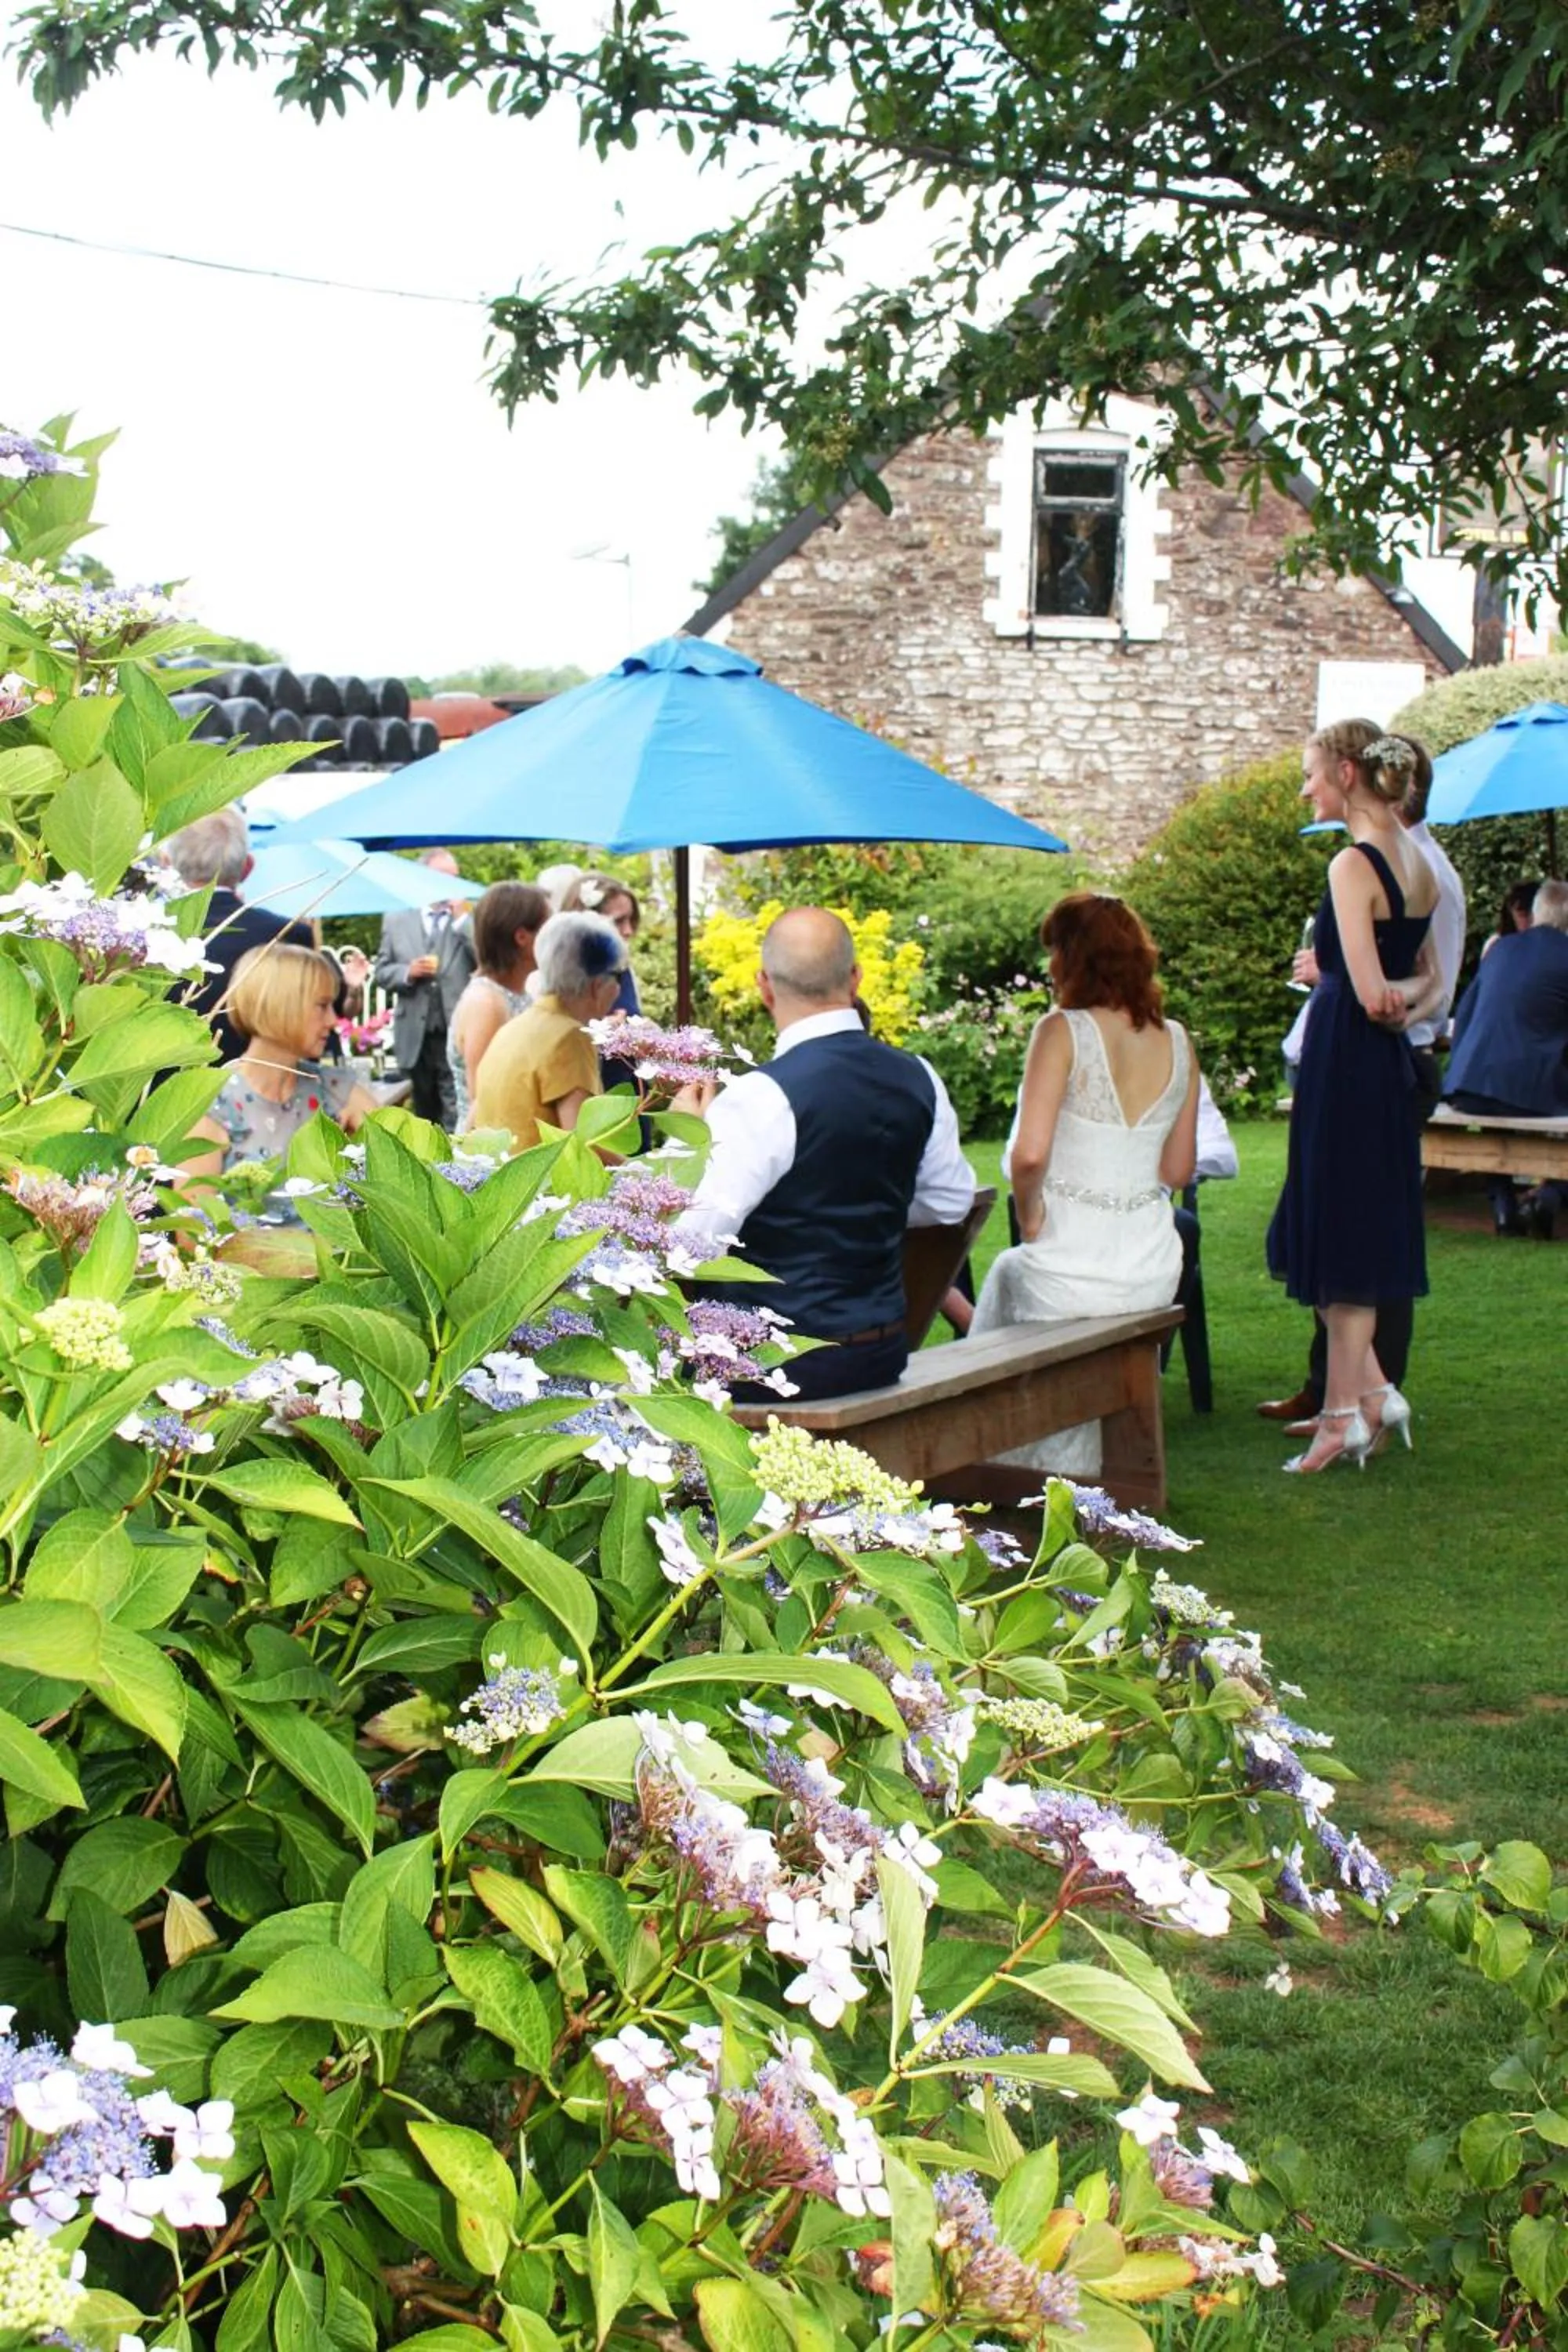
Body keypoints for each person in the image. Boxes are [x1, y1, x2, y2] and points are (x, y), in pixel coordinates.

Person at [670, 908, 975, 1399]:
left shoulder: (761, 1097)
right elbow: (949, 1202)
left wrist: (686, 1137)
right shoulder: (919, 1075)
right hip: (879, 1353)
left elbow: (687, 1242)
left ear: (764, 986)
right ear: (855, 978)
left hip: (773, 1371)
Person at [1259, 731, 1465, 1425]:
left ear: (1348, 774)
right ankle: (1366, 1397)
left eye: (1311, 775)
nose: (1305, 789)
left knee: (1334, 1227)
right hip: (1382, 1062)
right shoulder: (1425, 869)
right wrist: (1399, 999)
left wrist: (1372, 993)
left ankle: (1354, 1404)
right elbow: (1433, 986)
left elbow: (1368, 987)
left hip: (1345, 1058)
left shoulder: (1353, 865)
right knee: (1355, 1225)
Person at [971, 891, 1199, 1476]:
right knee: (1014, 1277)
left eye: (1054, 953)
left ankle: (999, 1462)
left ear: (1073, 959)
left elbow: (1029, 1156)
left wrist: (1031, 1219)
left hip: (1072, 1271)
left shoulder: (1062, 1030)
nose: (1049, 968)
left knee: (1009, 1272)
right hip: (1151, 1269)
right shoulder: (1178, 1040)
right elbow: (1177, 1173)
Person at [185, 943, 377, 1215]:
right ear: (280, 1005)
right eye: (322, 1006)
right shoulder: (212, 1105)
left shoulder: (334, 1090)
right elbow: (192, 1235)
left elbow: (405, 1153)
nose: (334, 1020)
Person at [1445, 876, 1568, 1239]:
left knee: (1497, 1100)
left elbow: (1464, 1019)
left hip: (1469, 1086)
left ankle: (1502, 1206)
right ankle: (1552, 1193)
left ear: (1536, 912)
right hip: (1531, 1091)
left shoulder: (1500, 950)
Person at [470, 910, 628, 1151]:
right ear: (597, 985)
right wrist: (644, 1173)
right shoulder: (570, 1037)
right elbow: (581, 1147)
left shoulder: (513, 1029)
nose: (619, 989)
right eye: (619, 977)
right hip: (541, 1186)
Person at [165, 810, 312, 1061]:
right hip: (264, 1089)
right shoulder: (289, 935)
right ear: (248, 867)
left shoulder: (140, 938)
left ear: (167, 863)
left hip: (157, 1095)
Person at [374, 850, 476, 1129]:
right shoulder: (397, 918)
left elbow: (486, 960)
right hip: (415, 1033)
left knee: (456, 1105)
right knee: (423, 1109)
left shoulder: (469, 918)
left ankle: (455, 1164)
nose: (454, 884)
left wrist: (461, 921)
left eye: (456, 878)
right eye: (446, 877)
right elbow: (382, 971)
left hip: (456, 1027)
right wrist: (407, 972)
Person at [447, 882, 550, 1129]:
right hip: (495, 1151)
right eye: (548, 929)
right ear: (523, 937)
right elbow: (484, 1100)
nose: (554, 939)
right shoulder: (486, 1004)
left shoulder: (518, 993)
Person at [1480, 878, 1541, 960]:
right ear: (1510, 914)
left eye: (1536, 914)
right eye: (1524, 915)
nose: (1531, 921)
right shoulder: (1496, 945)